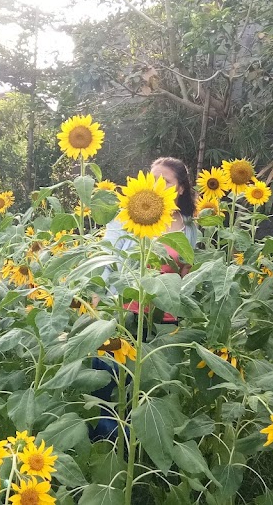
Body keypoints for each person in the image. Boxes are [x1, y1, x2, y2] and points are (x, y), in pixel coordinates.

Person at [90, 157, 197, 441]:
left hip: (162, 321)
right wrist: (97, 297)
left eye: (166, 181)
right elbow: (108, 255)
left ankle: (134, 447)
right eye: (153, 179)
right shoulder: (128, 214)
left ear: (181, 189)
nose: (157, 186)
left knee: (148, 386)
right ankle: (105, 443)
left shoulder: (188, 227)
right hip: (122, 312)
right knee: (107, 379)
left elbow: (186, 271)